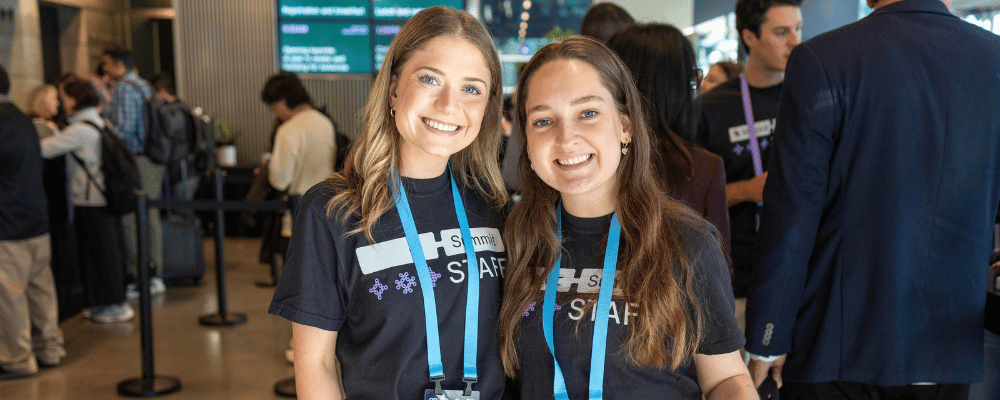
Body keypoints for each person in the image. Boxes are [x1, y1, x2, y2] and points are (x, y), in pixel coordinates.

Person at [743, 0, 1000, 398]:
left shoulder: (824, 57)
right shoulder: (992, 58)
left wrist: (768, 336)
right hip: (948, 342)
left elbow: (793, 213)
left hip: (837, 337)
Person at [268, 6, 509, 399]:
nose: (450, 105)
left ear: (487, 107)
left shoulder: (494, 205)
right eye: (430, 79)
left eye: (471, 88)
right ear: (394, 88)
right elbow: (315, 364)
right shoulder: (332, 210)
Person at [498, 36, 754, 399]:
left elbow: (726, 379)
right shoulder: (513, 239)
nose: (566, 138)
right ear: (525, 137)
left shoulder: (686, 241)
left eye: (588, 113)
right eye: (543, 121)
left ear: (625, 127)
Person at [694, 0, 802, 304]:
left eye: (797, 29)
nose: (795, 40)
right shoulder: (711, 109)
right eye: (782, 32)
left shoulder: (810, 97)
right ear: (749, 37)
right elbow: (686, 200)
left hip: (795, 271)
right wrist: (747, 190)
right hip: (732, 276)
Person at [607, 23, 731, 261]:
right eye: (695, 78)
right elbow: (720, 267)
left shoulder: (594, 157)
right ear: (678, 86)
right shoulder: (702, 168)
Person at [40, 78, 133, 324]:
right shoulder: (101, 123)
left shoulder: (79, 130)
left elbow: (43, 149)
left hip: (90, 202)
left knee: (97, 257)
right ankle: (113, 301)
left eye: (62, 97)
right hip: (106, 199)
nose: (60, 103)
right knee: (110, 254)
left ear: (72, 100)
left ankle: (107, 305)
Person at [0, 64, 66, 380]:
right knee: (41, 289)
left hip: (7, 224)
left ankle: (16, 359)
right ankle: (49, 349)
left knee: (10, 295)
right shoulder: (24, 121)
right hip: (37, 219)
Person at [102, 45, 165, 296]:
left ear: (119, 65)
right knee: (150, 217)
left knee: (132, 218)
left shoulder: (124, 88)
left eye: (106, 64)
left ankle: (143, 277)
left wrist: (103, 132)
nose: (104, 70)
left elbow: (125, 129)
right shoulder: (143, 85)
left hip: (137, 160)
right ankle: (155, 274)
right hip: (152, 159)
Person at [260, 71, 336, 251]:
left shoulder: (289, 130)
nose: (275, 113)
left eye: (273, 107)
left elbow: (280, 180)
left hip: (297, 217)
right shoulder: (326, 123)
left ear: (282, 101)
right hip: (327, 214)